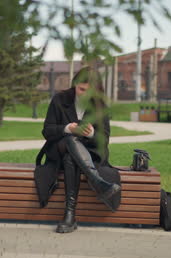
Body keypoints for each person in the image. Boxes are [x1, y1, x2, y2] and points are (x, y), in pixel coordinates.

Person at [38, 66, 121, 233]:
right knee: (70, 140)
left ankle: (70, 216)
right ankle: (98, 183)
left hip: (88, 153)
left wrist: (91, 133)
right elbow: (47, 131)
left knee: (71, 158)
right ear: (75, 83)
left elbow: (104, 140)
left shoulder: (100, 106)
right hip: (59, 150)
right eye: (81, 89)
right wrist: (67, 128)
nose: (84, 94)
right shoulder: (59, 100)